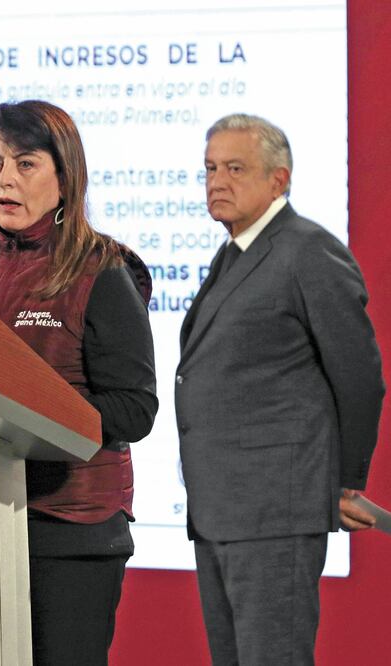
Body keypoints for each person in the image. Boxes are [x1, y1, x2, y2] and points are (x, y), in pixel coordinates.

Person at [0, 100, 158, 665]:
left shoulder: (101, 271)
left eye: (25, 164)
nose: (4, 179)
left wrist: (37, 410)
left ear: (65, 178)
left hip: (70, 529)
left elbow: (134, 409)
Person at [175, 113, 385, 665]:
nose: (217, 181)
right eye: (210, 168)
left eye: (235, 168)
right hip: (222, 511)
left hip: (276, 513)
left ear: (279, 179)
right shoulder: (235, 254)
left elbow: (360, 376)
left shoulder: (306, 251)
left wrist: (345, 483)